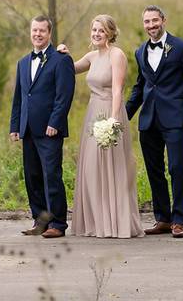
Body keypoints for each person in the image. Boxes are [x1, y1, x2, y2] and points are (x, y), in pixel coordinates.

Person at [126, 5, 183, 239]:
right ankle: (163, 219)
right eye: (147, 21)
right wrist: (122, 115)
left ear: (164, 20)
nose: (151, 25)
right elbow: (140, 87)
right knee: (154, 170)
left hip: (174, 118)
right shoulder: (140, 51)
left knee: (176, 168)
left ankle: (179, 221)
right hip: (148, 120)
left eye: (155, 20)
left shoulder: (182, 47)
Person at [61, 15, 144, 238]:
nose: (96, 34)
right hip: (92, 113)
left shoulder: (116, 55)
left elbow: (118, 90)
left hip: (110, 111)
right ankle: (97, 222)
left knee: (112, 166)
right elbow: (69, 68)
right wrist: (61, 53)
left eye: (101, 30)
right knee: (92, 168)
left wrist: (113, 120)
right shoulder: (91, 56)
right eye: (94, 30)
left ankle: (115, 223)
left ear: (110, 33)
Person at [9, 16, 75, 238]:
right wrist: (15, 125)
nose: (37, 34)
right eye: (34, 30)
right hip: (28, 128)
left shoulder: (61, 60)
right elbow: (19, 97)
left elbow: (64, 96)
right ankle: (40, 220)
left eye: (42, 31)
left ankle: (58, 223)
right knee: (33, 177)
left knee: (51, 176)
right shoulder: (23, 62)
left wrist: (55, 122)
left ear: (49, 33)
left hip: (49, 129)